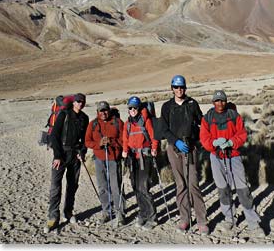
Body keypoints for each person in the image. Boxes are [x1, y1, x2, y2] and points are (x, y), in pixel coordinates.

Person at [200, 90, 265, 236]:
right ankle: (229, 218)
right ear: (213, 102)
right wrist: (214, 143)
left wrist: (231, 142)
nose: (220, 103)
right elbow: (204, 139)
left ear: (226, 101)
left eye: (222, 100)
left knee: (242, 188)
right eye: (217, 101)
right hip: (216, 157)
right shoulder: (207, 118)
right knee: (223, 188)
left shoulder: (234, 115)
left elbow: (242, 134)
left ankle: (253, 222)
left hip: (234, 155)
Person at [161, 75, 209, 235]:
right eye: (176, 87)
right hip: (174, 148)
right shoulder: (167, 106)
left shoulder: (192, 104)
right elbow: (164, 129)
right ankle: (185, 219)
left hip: (190, 147)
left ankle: (202, 221)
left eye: (181, 87)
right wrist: (175, 142)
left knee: (193, 183)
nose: (179, 90)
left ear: (185, 88)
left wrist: (195, 139)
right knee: (181, 184)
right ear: (172, 88)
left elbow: (201, 123)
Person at [44, 93, 89, 233]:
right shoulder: (64, 114)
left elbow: (85, 140)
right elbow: (54, 135)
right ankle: (53, 217)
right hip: (61, 155)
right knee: (55, 187)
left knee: (72, 185)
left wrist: (82, 152)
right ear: (73, 102)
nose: (80, 103)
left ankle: (68, 212)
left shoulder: (84, 118)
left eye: (82, 101)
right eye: (78, 101)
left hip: (75, 156)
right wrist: (57, 156)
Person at [85, 101, 125, 226]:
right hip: (99, 158)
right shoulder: (93, 124)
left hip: (113, 158)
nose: (103, 113)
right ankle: (106, 211)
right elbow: (87, 141)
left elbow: (124, 140)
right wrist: (99, 144)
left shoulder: (118, 122)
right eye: (101, 111)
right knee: (102, 187)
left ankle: (120, 213)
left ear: (109, 110)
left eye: (105, 110)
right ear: (97, 112)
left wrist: (112, 142)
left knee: (116, 186)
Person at [122, 96, 159, 231]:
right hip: (132, 158)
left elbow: (154, 136)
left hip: (145, 157)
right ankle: (143, 213)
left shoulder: (146, 121)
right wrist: (125, 151)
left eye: (134, 108)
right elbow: (125, 140)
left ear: (139, 108)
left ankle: (152, 217)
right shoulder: (127, 124)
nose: (132, 110)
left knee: (143, 187)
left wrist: (154, 148)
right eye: (130, 108)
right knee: (135, 187)